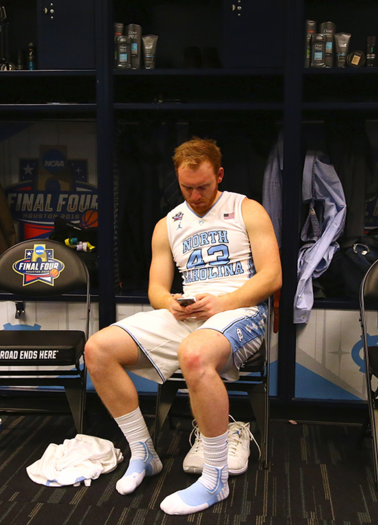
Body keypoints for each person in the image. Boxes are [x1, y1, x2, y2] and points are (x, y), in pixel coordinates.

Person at [85, 137, 282, 515]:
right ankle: (143, 453)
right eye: (187, 187)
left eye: (203, 186)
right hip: (189, 314)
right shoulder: (168, 224)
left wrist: (223, 301)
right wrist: (171, 303)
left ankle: (215, 478)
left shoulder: (246, 209)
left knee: (193, 355)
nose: (195, 195)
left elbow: (272, 276)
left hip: (239, 310)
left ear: (219, 175)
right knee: (98, 349)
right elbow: (156, 289)